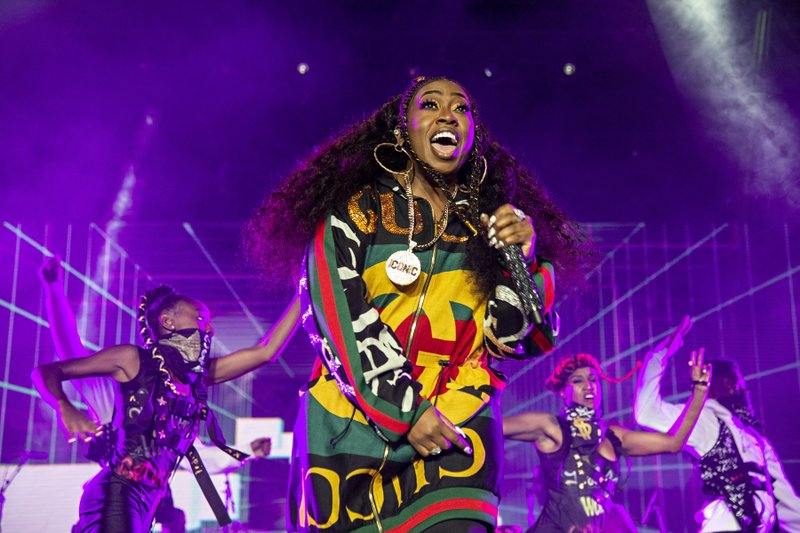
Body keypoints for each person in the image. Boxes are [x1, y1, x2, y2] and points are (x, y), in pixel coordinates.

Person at [246, 75, 590, 531]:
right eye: (431, 104)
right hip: (351, 426)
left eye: (461, 108)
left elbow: (509, 336)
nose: (448, 114)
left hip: (459, 416)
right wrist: (405, 410)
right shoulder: (353, 212)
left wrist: (522, 258)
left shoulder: (488, 226)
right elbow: (337, 316)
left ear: (473, 138)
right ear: (402, 129)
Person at [35, 256, 281, 532]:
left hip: (146, 505)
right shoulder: (121, 378)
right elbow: (67, 349)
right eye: (199, 318)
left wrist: (248, 451)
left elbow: (264, 352)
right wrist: (53, 289)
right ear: (168, 323)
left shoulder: (182, 398)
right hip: (115, 498)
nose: (206, 329)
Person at [503, 344, 711, 532]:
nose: (588, 385)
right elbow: (494, 425)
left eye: (593, 379)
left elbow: (674, 443)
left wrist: (700, 391)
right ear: (563, 392)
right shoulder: (552, 427)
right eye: (578, 381)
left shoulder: (613, 436)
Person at [634, 316, 800, 532]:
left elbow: (785, 500)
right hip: (727, 521)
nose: (739, 386)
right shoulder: (704, 418)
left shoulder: (757, 438)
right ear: (711, 385)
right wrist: (660, 354)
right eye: (730, 379)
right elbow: (647, 413)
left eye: (738, 380)